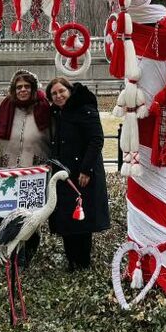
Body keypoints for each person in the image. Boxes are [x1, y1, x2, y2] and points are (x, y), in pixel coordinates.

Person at [46, 76, 110, 271]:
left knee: (81, 219)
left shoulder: (85, 109)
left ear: (70, 91)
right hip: (64, 173)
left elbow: (96, 139)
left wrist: (86, 169)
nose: (58, 96)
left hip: (82, 173)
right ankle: (71, 259)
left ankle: (82, 261)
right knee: (66, 218)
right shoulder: (57, 113)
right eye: (54, 94)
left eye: (61, 91)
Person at [0, 70, 52, 169]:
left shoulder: (45, 108)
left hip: (37, 170)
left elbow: (55, 138)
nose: (23, 90)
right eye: (19, 87)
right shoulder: (4, 109)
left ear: (33, 88)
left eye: (27, 86)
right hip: (8, 169)